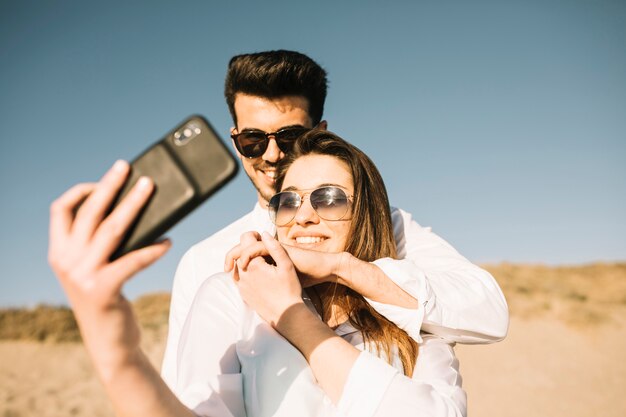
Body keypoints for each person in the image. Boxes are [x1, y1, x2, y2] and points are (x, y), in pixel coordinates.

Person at [49, 130, 466, 416]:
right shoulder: (230, 295)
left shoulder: (406, 306)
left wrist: (293, 315)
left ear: (367, 214)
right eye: (288, 201)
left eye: (328, 198)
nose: (303, 216)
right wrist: (116, 355)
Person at [162, 50, 508, 387]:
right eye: (253, 139)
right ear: (235, 139)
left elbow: (487, 312)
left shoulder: (385, 225)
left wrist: (349, 269)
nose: (271, 154)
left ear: (320, 132)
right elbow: (185, 392)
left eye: (290, 136)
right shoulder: (203, 262)